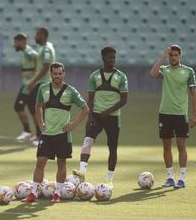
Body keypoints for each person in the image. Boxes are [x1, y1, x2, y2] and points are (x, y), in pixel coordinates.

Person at [21, 62, 89, 203]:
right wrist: (40, 124)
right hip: (47, 134)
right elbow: (38, 105)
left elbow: (85, 109)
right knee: (40, 162)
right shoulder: (43, 88)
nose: (57, 76)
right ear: (51, 74)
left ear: (64, 74)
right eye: (54, 73)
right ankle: (33, 193)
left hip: (63, 134)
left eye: (60, 73)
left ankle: (57, 193)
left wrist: (74, 124)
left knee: (61, 163)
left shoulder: (71, 91)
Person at [73, 46, 128, 189]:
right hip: (96, 115)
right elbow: (90, 99)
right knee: (87, 142)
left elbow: (124, 100)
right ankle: (82, 173)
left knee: (113, 148)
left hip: (113, 117)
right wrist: (90, 117)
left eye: (114, 58)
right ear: (103, 58)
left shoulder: (121, 77)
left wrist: (107, 112)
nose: (113, 60)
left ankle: (109, 180)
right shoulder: (94, 76)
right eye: (110, 57)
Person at [149, 45, 196, 189]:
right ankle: (170, 177)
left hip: (181, 114)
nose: (173, 57)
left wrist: (194, 115)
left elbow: (194, 93)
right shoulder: (165, 70)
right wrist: (162, 56)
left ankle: (181, 178)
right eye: (171, 55)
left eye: (176, 55)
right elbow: (152, 73)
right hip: (165, 113)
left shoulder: (188, 71)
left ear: (180, 56)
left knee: (181, 146)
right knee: (166, 146)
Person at [27, 27, 56, 145]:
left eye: (37, 34)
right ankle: (40, 134)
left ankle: (43, 136)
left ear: (42, 35)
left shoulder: (47, 50)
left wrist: (33, 81)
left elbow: (45, 68)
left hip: (44, 83)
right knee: (34, 107)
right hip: (42, 82)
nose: (35, 37)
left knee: (39, 109)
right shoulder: (45, 47)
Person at [13, 33, 40, 143]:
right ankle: (38, 134)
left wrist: (34, 73)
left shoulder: (29, 52)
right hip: (29, 84)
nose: (14, 45)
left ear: (22, 42)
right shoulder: (25, 52)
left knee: (18, 106)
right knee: (33, 111)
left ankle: (27, 131)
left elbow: (38, 59)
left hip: (30, 85)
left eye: (16, 42)